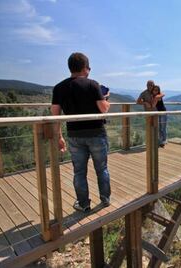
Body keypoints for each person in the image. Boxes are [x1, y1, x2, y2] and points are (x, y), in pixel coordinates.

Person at [51, 52, 111, 212]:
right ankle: (105, 199)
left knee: (79, 172)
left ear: (70, 67)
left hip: (74, 135)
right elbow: (104, 110)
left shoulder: (59, 88)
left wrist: (59, 137)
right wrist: (106, 99)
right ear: (85, 68)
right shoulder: (93, 84)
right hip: (96, 133)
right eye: (89, 68)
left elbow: (55, 115)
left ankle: (83, 204)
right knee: (102, 168)